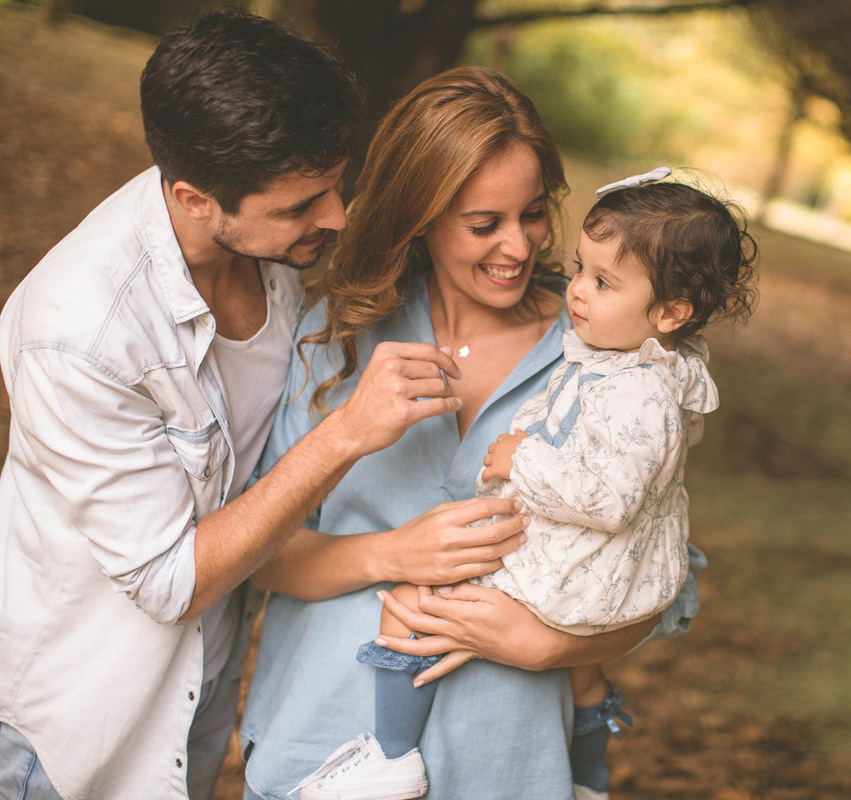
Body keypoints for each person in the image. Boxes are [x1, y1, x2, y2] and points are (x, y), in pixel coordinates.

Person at [0, 11, 484, 800]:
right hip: (70, 737)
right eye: (301, 205)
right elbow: (168, 580)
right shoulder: (81, 334)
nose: (335, 216)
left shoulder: (270, 248)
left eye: (335, 185)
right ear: (194, 198)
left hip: (197, 710)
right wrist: (346, 434)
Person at [239, 67, 708, 800]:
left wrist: (547, 644)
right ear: (420, 216)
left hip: (507, 764)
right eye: (484, 224)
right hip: (323, 751)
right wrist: (388, 553)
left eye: (533, 214)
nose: (518, 247)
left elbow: (659, 575)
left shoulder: (610, 361)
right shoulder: (337, 338)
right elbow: (260, 554)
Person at [292, 170, 758, 800]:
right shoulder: (628, 361)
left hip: (567, 587)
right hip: (592, 573)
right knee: (583, 675)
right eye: (581, 269)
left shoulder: (636, 387)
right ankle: (588, 778)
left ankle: (391, 756)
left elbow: (621, 506)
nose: (576, 290)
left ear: (671, 312)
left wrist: (521, 461)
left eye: (603, 282)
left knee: (411, 605)